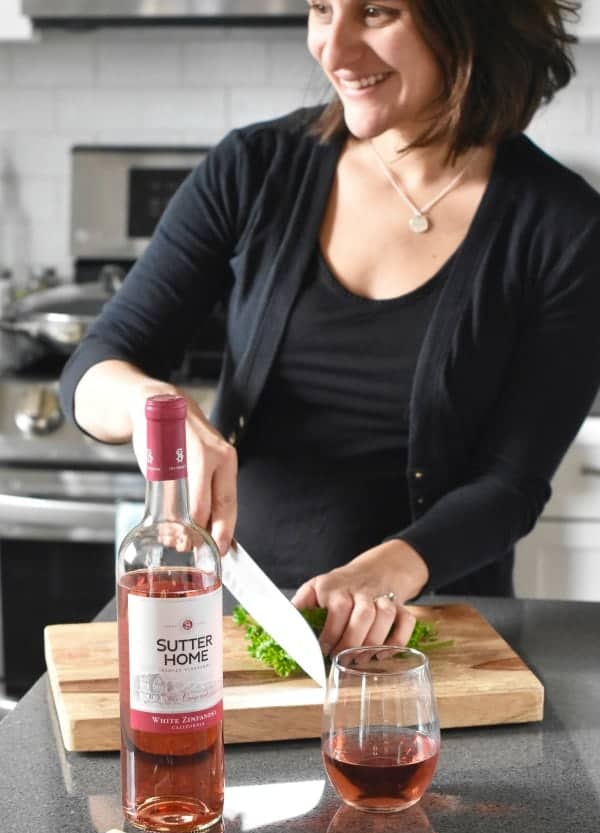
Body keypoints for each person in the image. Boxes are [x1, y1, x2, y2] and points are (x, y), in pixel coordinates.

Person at [60, 0, 600, 659]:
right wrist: (154, 407)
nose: (333, 49)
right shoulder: (255, 168)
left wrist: (388, 573)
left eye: (375, 12)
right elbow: (96, 364)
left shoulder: (564, 229)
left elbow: (510, 482)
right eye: (321, 7)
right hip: (220, 625)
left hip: (423, 635)